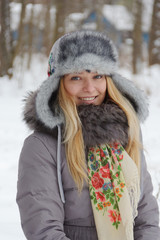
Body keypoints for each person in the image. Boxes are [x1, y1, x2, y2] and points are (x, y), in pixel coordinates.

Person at [16, 30, 160, 240]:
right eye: (76, 77)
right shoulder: (41, 146)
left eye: (97, 76)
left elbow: (146, 216)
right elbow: (43, 231)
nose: (89, 87)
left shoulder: (125, 134)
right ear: (58, 84)